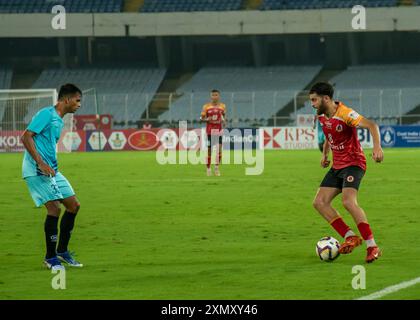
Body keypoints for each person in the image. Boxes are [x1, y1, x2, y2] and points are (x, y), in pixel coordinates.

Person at [309, 82, 384, 263]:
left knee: (348, 202)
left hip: (354, 163)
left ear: (326, 98)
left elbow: (372, 125)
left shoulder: (345, 114)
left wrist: (377, 148)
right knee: (319, 202)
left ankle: (372, 246)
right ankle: (350, 236)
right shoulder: (321, 117)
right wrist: (325, 154)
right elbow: (329, 135)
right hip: (338, 165)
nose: (312, 104)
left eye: (314, 100)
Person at [21, 83, 83, 271]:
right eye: (77, 100)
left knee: (73, 205)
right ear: (67, 99)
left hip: (52, 171)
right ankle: (50, 257)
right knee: (54, 209)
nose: (79, 104)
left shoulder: (58, 119)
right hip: (37, 169)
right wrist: (40, 162)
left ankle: (62, 251)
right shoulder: (46, 114)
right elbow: (25, 137)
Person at [200, 89, 226, 176]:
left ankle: (216, 168)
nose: (214, 96)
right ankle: (208, 169)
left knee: (219, 150)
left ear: (219, 96)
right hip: (210, 131)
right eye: (213, 95)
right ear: (211, 96)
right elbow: (201, 119)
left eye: (216, 95)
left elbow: (223, 116)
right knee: (209, 151)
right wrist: (208, 119)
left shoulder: (222, 106)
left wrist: (224, 121)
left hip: (219, 131)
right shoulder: (206, 106)